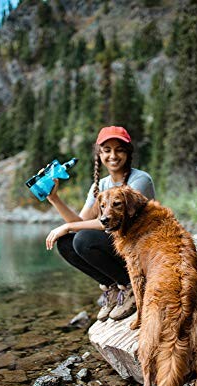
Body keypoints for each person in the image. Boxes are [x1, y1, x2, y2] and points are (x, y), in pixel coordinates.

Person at [45, 125, 155, 322]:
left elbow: (117, 223)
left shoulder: (140, 180)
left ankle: (130, 286)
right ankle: (113, 288)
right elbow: (81, 222)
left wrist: (68, 227)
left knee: (83, 238)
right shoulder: (100, 185)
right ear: (100, 154)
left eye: (119, 149)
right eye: (107, 150)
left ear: (128, 153)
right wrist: (54, 199)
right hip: (120, 249)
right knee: (66, 243)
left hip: (139, 252)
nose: (113, 155)